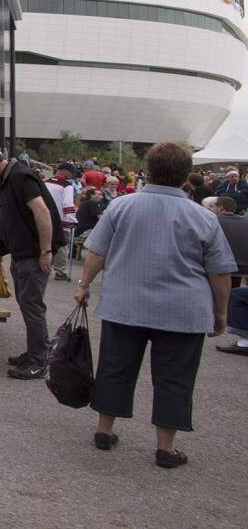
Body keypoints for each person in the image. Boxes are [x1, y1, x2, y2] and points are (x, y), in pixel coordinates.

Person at [74, 142, 235, 468]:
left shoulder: (121, 206)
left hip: (125, 304)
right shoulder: (203, 217)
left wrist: (84, 285)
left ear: (148, 169)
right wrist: (220, 313)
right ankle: (166, 448)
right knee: (175, 377)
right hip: (183, 310)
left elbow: (97, 253)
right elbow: (219, 273)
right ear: (185, 174)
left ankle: (104, 430)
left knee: (115, 368)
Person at [0, 145, 65, 380]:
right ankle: (36, 351)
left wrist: (45, 251)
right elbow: (0, 215)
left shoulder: (21, 176)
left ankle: (39, 360)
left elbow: (41, 212)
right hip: (20, 253)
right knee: (26, 303)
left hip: (33, 254)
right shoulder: (2, 181)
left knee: (32, 306)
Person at [45, 163, 79, 282]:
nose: (72, 175)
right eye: (71, 172)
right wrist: (71, 219)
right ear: (64, 171)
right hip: (60, 220)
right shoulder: (67, 186)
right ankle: (61, 271)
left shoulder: (45, 182)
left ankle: (44, 268)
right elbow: (67, 204)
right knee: (62, 247)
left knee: (45, 245)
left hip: (44, 218)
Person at [210, 195, 248, 286]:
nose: (211, 209)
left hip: (221, 267)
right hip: (244, 268)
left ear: (221, 208)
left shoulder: (213, 221)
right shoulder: (246, 221)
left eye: (213, 206)